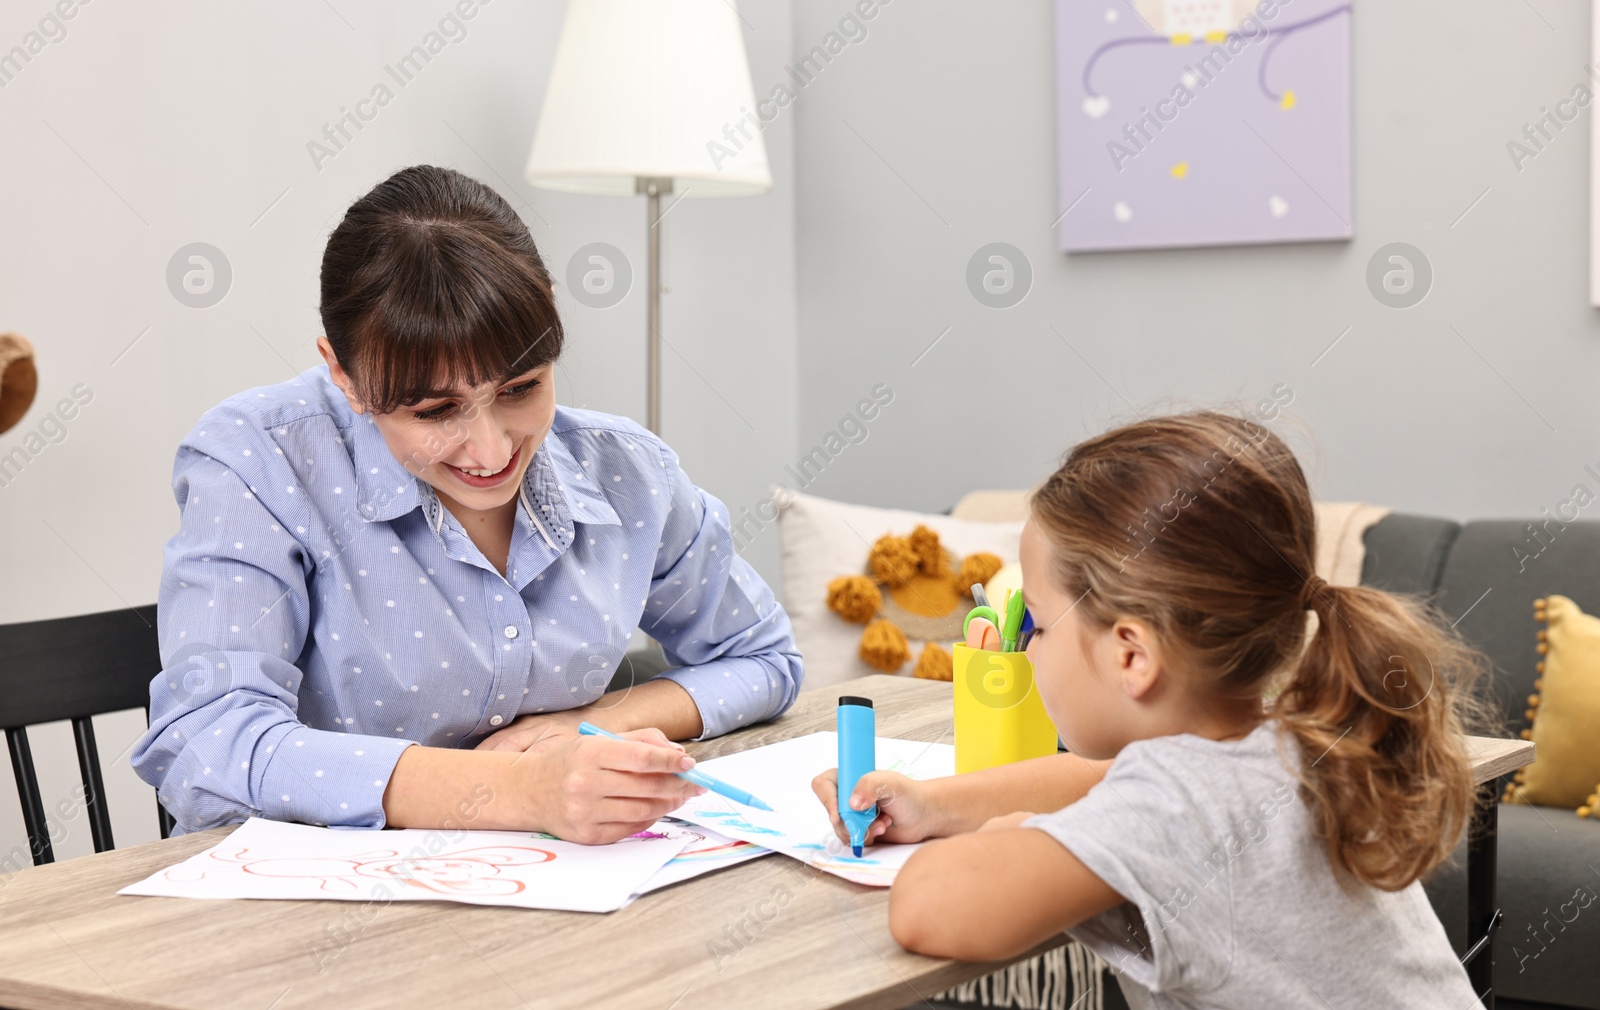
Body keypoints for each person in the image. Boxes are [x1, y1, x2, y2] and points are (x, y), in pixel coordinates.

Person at [133, 165, 802, 844]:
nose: (489, 450)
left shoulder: (627, 471)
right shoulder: (259, 459)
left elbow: (765, 658)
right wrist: (517, 790)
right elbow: (210, 740)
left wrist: (589, 728)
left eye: (521, 388)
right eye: (435, 410)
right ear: (345, 376)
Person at [813, 412, 1486, 1007]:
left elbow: (928, 908)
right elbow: (1102, 780)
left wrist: (1020, 832)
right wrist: (936, 803)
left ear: (1132, 654)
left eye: (1037, 628)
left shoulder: (1172, 807)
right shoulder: (1286, 740)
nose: (1029, 651)